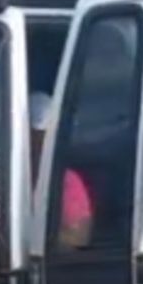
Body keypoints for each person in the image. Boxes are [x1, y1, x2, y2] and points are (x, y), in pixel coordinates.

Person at [29, 91, 94, 249]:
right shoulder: (1, 178)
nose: (39, 144)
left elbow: (79, 237)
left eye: (43, 136)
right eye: (33, 136)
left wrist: (28, 237)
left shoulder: (66, 181)